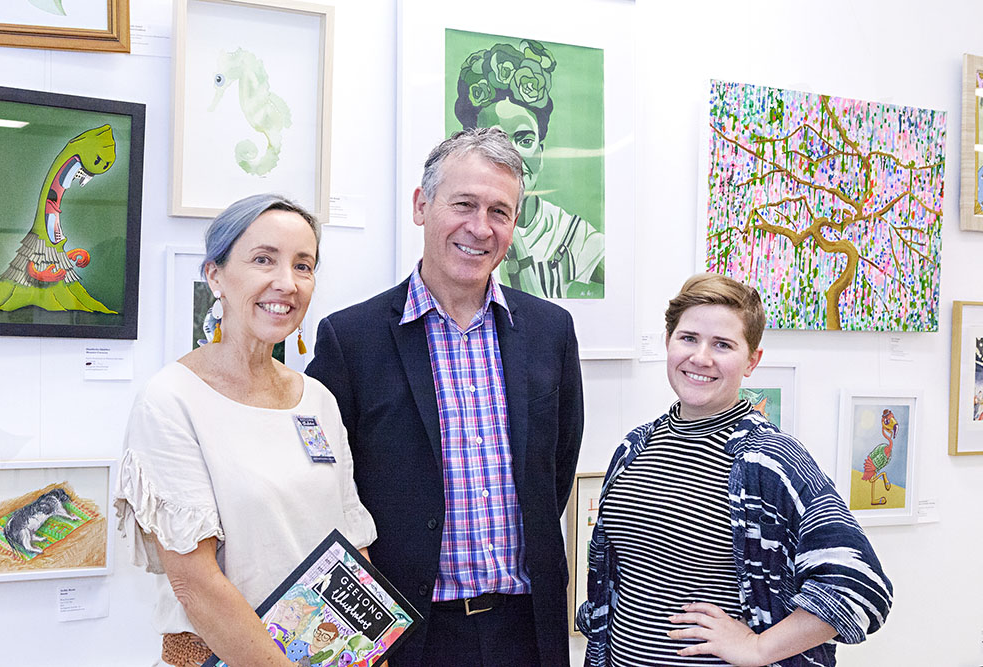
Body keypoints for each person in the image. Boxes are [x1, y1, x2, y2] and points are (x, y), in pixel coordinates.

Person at [306, 127, 583, 666]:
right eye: (464, 204)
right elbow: (327, 490)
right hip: (409, 635)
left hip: (527, 628)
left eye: (500, 212)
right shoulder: (352, 338)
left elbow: (555, 473)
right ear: (421, 205)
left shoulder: (552, 331)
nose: (480, 228)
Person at [114, 194, 376, 667]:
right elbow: (195, 585)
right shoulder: (171, 400)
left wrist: (367, 652)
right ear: (216, 275)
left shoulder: (317, 400)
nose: (287, 283)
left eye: (304, 265)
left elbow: (351, 550)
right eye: (263, 260)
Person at [577, 274, 892, 667]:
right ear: (668, 342)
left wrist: (757, 648)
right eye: (688, 338)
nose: (701, 357)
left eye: (723, 345)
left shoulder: (769, 459)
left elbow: (860, 587)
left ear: (751, 361)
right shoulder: (633, 448)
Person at [454, 38, 605, 299]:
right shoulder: (461, 232)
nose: (513, 156)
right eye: (497, 140)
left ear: (541, 153)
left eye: (525, 140)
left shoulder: (573, 235)